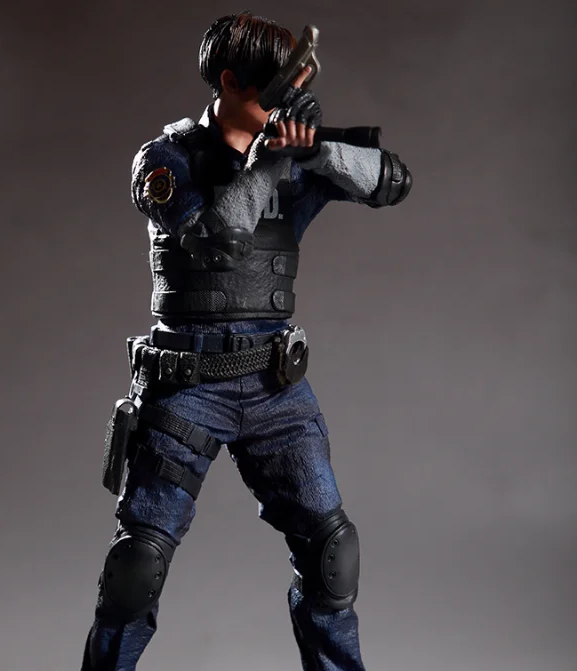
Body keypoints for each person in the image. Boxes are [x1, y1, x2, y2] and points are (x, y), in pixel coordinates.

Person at [81, 10, 411, 671]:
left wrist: (316, 151)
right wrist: (272, 159)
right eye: (271, 91)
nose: (282, 105)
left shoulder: (292, 151)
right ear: (229, 82)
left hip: (274, 388)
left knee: (331, 555)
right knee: (135, 570)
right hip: (186, 388)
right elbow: (219, 236)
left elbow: (393, 181)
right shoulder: (167, 159)